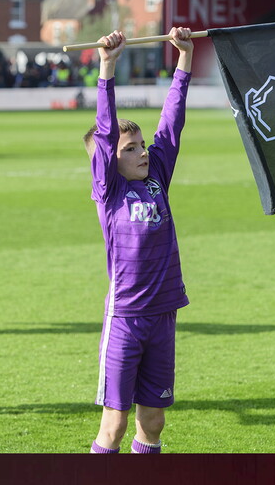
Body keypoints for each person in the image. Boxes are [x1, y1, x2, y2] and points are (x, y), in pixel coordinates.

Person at [83, 27, 193, 454]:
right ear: (111, 159)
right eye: (130, 149)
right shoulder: (109, 192)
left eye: (142, 145)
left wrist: (183, 59)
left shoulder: (158, 178)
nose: (142, 153)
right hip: (125, 319)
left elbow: (172, 123)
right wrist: (107, 66)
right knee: (113, 425)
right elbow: (106, 131)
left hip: (163, 314)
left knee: (153, 419)